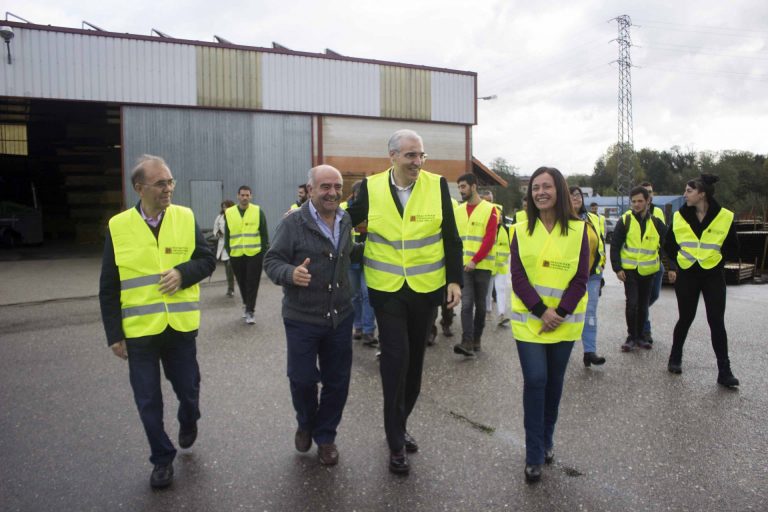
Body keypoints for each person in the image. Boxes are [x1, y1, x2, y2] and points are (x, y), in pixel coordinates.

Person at [346, 129, 463, 475]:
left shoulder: (437, 185)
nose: (417, 162)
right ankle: (395, 441)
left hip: (426, 290)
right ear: (393, 157)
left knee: (414, 367)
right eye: (410, 155)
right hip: (387, 291)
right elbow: (344, 221)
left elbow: (450, 237)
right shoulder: (370, 188)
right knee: (395, 360)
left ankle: (400, 422)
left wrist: (453, 280)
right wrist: (306, 220)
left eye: (420, 155)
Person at [99, 155, 216, 489]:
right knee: (147, 399)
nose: (169, 189)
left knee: (189, 391)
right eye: (161, 183)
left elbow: (206, 260)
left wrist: (183, 273)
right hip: (140, 334)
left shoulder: (185, 216)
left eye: (170, 181)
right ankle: (162, 459)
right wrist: (114, 334)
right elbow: (108, 286)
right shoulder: (118, 226)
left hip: (179, 329)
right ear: (139, 188)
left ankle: (189, 418)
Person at [264, 165, 357, 466]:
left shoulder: (346, 219)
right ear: (310, 189)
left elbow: (348, 254)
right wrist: (291, 273)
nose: (332, 193)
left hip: (340, 316)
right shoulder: (293, 223)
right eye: (325, 187)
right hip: (302, 316)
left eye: (337, 186)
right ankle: (306, 421)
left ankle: (326, 436)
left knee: (337, 381)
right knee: (302, 379)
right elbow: (271, 261)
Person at [509, 167, 588, 483]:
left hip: (564, 324)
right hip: (530, 322)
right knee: (536, 379)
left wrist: (561, 311)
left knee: (554, 384)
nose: (540, 191)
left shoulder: (581, 231)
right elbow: (517, 276)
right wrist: (542, 311)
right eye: (535, 187)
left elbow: (581, 278)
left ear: (560, 191)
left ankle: (547, 439)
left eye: (547, 186)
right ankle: (533, 453)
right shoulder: (519, 229)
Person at [664, 175, 740, 388]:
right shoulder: (680, 216)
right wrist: (678, 261)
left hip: (713, 274)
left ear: (702, 193)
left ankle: (724, 371)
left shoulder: (724, 216)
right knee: (686, 317)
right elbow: (669, 244)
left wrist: (716, 260)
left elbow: (733, 247)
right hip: (687, 273)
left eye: (689, 190)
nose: (685, 194)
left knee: (716, 321)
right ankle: (675, 357)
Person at [611, 186, 666, 352]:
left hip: (649, 272)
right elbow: (614, 245)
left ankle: (641, 336)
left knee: (643, 305)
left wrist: (672, 267)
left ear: (648, 201)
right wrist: (617, 268)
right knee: (632, 304)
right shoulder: (625, 220)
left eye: (640, 201)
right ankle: (631, 337)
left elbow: (667, 244)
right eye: (633, 201)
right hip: (630, 271)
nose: (636, 204)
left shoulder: (656, 222)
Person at [453, 174, 498, 356]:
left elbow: (489, 239)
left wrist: (475, 260)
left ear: (473, 186)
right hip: (464, 266)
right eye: (459, 188)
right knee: (466, 304)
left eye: (463, 187)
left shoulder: (491, 210)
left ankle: (477, 339)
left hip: (483, 266)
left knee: (480, 306)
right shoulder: (458, 211)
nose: (461, 191)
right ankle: (467, 341)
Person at [570, 187, 607, 367]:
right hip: (568, 276)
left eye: (578, 195)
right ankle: (561, 351)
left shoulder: (594, 219)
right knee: (568, 312)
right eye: (571, 195)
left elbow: (601, 245)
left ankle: (589, 351)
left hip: (592, 275)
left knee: (590, 311)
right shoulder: (560, 219)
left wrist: (601, 271)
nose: (575, 198)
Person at [225, 186, 269, 325]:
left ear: (251, 196)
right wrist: (229, 250)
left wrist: (262, 252)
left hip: (254, 254)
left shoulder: (257, 211)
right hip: (236, 254)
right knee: (242, 282)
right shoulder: (230, 212)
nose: (245, 197)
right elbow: (227, 234)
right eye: (242, 195)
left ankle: (250, 310)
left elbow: (264, 233)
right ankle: (246, 303)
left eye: (247, 195)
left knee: (252, 283)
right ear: (238, 196)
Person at [347, 180, 378, 347]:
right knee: (354, 295)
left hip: (369, 257)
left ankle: (368, 331)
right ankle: (357, 327)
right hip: (351, 258)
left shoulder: (374, 207)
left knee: (367, 294)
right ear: (354, 194)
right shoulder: (346, 208)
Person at [639, 182, 666, 345]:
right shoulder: (631, 214)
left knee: (654, 295)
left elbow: (664, 237)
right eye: (645, 193)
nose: (648, 195)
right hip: (640, 266)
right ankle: (645, 330)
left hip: (656, 262)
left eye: (650, 192)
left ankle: (637, 314)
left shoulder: (658, 212)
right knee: (643, 298)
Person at [213, 200, 236, 297]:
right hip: (224, 248)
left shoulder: (236, 216)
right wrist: (218, 233)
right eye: (223, 207)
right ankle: (230, 289)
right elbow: (215, 229)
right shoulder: (219, 217)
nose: (225, 209)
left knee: (236, 269)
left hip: (235, 246)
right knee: (228, 269)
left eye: (226, 206)